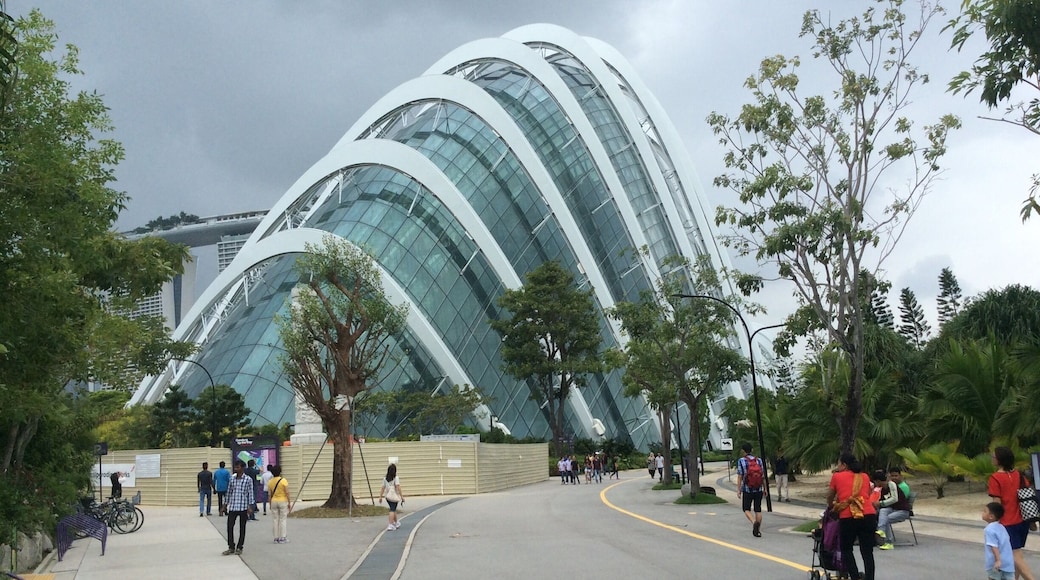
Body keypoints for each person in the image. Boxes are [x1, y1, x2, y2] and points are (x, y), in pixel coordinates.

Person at [826, 452, 878, 580]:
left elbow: (830, 495)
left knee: (846, 549)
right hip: (868, 514)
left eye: (838, 463)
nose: (837, 466)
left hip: (848, 516)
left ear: (844, 465)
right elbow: (866, 493)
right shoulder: (864, 476)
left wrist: (832, 505)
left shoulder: (837, 477)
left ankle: (854, 577)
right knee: (867, 551)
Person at [988, 446, 1036, 580]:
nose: (992, 458)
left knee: (1015, 556)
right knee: (1014, 556)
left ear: (999, 460)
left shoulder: (995, 478)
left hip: (1007, 523)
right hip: (1022, 522)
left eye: (994, 456)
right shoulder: (1019, 475)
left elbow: (997, 504)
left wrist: (992, 523)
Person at [223, 460, 255, 556]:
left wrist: (250, 506)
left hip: (243, 506)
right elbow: (229, 492)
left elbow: (250, 493)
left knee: (242, 528)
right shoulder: (232, 479)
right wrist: (225, 505)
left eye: (238, 467)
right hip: (233, 506)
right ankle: (231, 547)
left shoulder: (248, 479)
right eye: (235, 467)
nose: (236, 469)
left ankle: (240, 547)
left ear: (242, 468)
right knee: (229, 527)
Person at [874, 469, 910, 550]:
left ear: (878, 481)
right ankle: (881, 530)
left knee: (885, 519)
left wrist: (881, 503)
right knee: (883, 512)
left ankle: (888, 542)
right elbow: (884, 504)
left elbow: (894, 499)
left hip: (902, 510)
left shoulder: (891, 485)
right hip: (892, 509)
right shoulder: (883, 489)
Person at [736, 442, 765, 537]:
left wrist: (738, 490)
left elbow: (740, 476)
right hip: (758, 489)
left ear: (743, 451)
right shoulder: (759, 460)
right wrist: (765, 489)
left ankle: (753, 522)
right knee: (758, 509)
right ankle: (758, 530)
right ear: (752, 450)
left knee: (746, 508)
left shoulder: (741, 461)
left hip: (747, 489)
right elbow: (763, 476)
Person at [984, 501, 1016, 580]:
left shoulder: (989, 530)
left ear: (991, 516)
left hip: (995, 563)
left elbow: (993, 546)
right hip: (1008, 563)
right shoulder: (1002, 527)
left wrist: (998, 560)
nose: (982, 513)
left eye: (985, 511)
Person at [267, 464, 291, 544]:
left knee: (275, 519)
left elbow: (269, 494)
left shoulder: (270, 482)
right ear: (280, 472)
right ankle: (283, 537)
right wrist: (289, 502)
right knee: (282, 519)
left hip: (274, 501)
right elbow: (287, 492)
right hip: (282, 500)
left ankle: (276, 537)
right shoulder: (283, 480)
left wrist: (270, 503)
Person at [378, 463, 405, 531]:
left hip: (388, 496)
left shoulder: (385, 478)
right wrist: (402, 496)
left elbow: (383, 488)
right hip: (394, 496)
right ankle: (390, 524)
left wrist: (380, 497)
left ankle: (396, 522)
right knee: (392, 510)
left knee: (393, 508)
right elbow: (398, 487)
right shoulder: (396, 478)